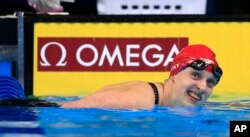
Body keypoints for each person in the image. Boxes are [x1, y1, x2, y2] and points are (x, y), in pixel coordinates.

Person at [61, 44, 223, 109]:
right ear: (174, 73)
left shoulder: (169, 102)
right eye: (195, 75)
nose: (202, 87)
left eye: (210, 82)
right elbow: (86, 106)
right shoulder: (139, 101)